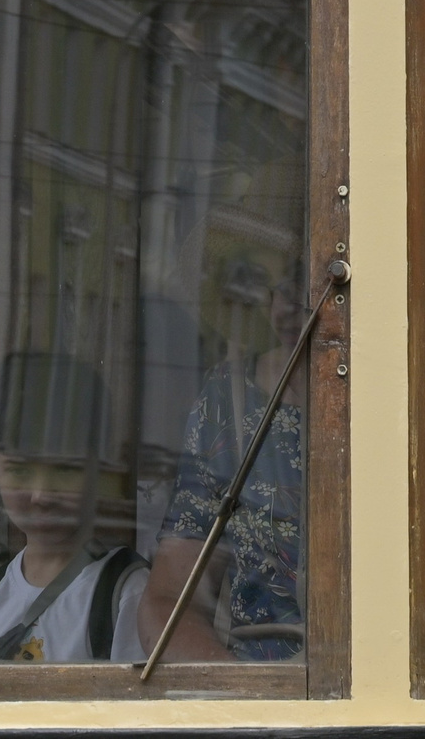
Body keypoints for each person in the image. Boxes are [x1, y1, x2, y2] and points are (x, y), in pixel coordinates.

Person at [141, 265, 309, 661]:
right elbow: (169, 597)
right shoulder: (226, 395)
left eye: (315, 285)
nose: (291, 307)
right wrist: (241, 701)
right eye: (284, 287)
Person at [0, 355, 149, 663]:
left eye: (64, 470)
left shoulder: (128, 596)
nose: (41, 495)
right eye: (20, 471)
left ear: (102, 466)